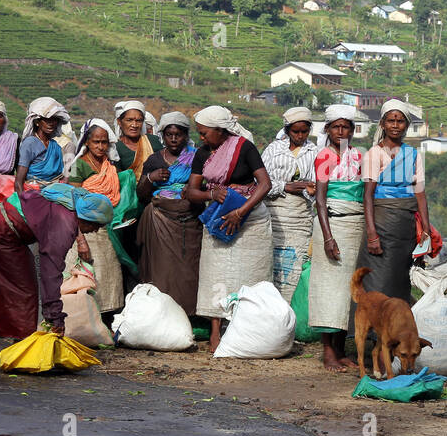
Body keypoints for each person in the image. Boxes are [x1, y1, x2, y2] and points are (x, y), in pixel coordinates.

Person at [0, 184, 113, 363]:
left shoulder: (72, 200)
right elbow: (51, 272)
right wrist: (55, 318)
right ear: (86, 219)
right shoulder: (63, 224)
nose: (95, 231)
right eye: (96, 226)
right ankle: (21, 351)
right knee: (21, 292)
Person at [186, 106, 273, 351]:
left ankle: (246, 331)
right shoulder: (203, 153)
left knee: (250, 276)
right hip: (218, 218)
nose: (201, 138)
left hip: (250, 218)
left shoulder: (244, 147)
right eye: (199, 133)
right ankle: (216, 333)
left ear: (220, 130)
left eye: (204, 133)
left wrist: (240, 212)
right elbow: (191, 191)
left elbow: (264, 184)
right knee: (217, 275)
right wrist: (210, 193)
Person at [358, 99, 431, 305]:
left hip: (405, 226)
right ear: (382, 124)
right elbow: (368, 195)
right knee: (378, 279)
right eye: (391, 120)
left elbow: (420, 193)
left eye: (400, 121)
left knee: (400, 278)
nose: (395, 125)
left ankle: (398, 328)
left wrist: (426, 229)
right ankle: (374, 332)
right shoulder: (375, 153)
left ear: (406, 125)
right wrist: (372, 234)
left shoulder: (413, 154)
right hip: (381, 224)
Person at [309, 106, 365, 371]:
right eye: (336, 127)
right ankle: (328, 351)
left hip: (354, 226)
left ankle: (342, 349)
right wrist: (328, 237)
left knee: (347, 290)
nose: (341, 131)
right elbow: (320, 199)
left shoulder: (358, 157)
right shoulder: (325, 156)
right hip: (330, 225)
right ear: (328, 130)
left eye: (346, 127)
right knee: (328, 289)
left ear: (352, 131)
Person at [135, 112, 202, 319]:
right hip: (160, 220)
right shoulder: (155, 159)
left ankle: (190, 314)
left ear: (185, 135)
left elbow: (207, 183)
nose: (174, 139)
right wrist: (150, 178)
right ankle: (162, 316)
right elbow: (141, 194)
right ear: (162, 135)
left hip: (189, 219)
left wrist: (190, 189)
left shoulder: (198, 157)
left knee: (189, 267)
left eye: (179, 134)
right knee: (162, 268)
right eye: (169, 135)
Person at [65, 119, 125, 315]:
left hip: (107, 231)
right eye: (96, 142)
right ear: (87, 143)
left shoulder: (110, 166)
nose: (100, 147)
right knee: (86, 275)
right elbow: (73, 201)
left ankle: (106, 320)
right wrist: (80, 238)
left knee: (109, 274)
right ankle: (85, 318)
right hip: (85, 231)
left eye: (104, 142)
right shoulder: (79, 166)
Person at [261, 106, 317, 303]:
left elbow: (317, 184)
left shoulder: (314, 152)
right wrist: (286, 186)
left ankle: (288, 310)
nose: (300, 135)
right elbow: (261, 184)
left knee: (294, 263)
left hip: (300, 216)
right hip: (275, 213)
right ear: (287, 130)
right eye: (296, 131)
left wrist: (308, 189)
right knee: (271, 262)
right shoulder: (273, 150)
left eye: (304, 131)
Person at [112, 100, 158, 275]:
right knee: (131, 251)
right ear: (119, 122)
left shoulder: (152, 142)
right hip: (128, 208)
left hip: (152, 204)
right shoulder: (115, 148)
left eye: (138, 120)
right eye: (129, 120)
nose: (134, 124)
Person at [15, 97, 69, 191]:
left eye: (54, 119)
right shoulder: (30, 143)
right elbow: (19, 181)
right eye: (47, 119)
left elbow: (62, 176)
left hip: (55, 191)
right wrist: (23, 203)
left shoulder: (55, 145)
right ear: (37, 122)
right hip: (34, 191)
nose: (51, 123)